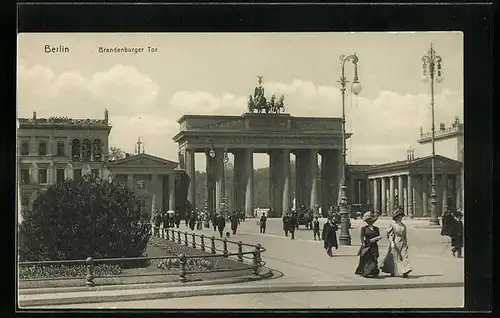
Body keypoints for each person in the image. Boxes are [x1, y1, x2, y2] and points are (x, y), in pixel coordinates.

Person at [380, 209, 412, 278]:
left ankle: (406, 270)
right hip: (395, 242)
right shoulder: (393, 225)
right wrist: (391, 242)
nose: (400, 217)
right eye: (399, 216)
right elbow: (390, 235)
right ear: (396, 217)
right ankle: (392, 271)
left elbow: (404, 235)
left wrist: (406, 243)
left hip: (402, 242)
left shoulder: (403, 225)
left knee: (404, 256)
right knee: (394, 257)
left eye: (401, 216)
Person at [355, 211, 381, 278]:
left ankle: (373, 271)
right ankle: (366, 271)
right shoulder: (364, 228)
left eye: (371, 221)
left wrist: (376, 239)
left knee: (374, 259)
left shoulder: (376, 228)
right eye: (369, 221)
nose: (370, 222)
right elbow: (361, 236)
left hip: (374, 245)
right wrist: (363, 242)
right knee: (366, 258)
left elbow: (378, 236)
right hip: (367, 245)